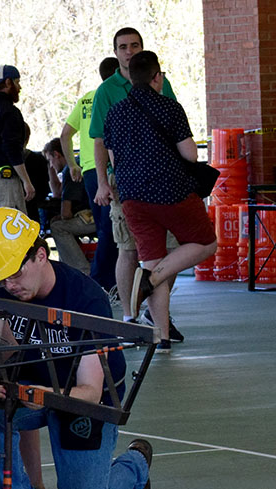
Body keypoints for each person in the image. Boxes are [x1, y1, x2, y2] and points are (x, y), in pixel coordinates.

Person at [0, 207, 152, 489]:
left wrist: (42, 395)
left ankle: (134, 464)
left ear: (40, 255)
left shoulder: (86, 300)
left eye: (15, 274)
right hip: (30, 392)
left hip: (83, 403)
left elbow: (91, 392)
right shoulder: (1, 287)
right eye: (1, 277)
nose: (9, 284)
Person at [103, 51, 217, 353]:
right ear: (158, 77)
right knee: (206, 243)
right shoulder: (170, 107)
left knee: (152, 260)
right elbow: (190, 155)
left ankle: (161, 336)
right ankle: (151, 281)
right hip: (172, 193)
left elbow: (114, 158)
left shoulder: (115, 113)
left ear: (130, 77)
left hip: (132, 199)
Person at [88, 28, 184, 341]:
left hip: (164, 183)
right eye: (123, 47)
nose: (129, 51)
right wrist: (102, 182)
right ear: (115, 53)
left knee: (172, 250)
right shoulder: (107, 91)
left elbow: (174, 125)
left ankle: (155, 312)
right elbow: (100, 141)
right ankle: (129, 318)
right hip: (125, 184)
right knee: (128, 250)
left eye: (134, 46)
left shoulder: (161, 82)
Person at [59, 57, 120, 291]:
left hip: (88, 169)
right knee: (111, 226)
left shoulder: (86, 99)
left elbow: (65, 134)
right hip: (107, 165)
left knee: (106, 226)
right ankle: (100, 281)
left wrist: (72, 165)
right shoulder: (111, 96)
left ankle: (110, 279)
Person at [0, 64, 35, 214]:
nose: (20, 87)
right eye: (17, 82)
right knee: (14, 228)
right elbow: (12, 149)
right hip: (4, 179)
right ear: (8, 82)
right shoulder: (9, 111)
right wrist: (27, 182)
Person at [42, 138, 97, 275]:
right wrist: (51, 170)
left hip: (91, 218)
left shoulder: (70, 171)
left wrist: (59, 217)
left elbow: (66, 213)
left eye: (50, 160)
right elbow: (57, 192)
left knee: (58, 227)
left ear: (57, 154)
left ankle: (81, 270)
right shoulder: (77, 164)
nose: (51, 165)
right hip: (99, 214)